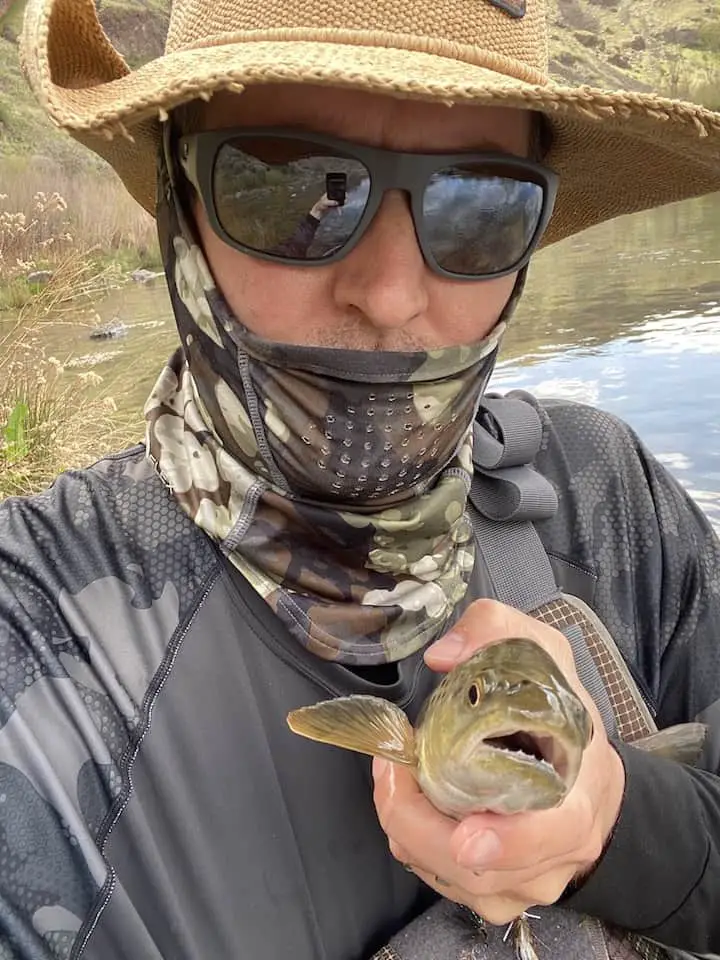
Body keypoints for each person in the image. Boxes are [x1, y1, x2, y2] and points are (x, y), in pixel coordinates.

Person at [4, 0, 720, 958]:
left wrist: (626, 829)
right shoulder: (32, 643)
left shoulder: (613, 496)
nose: (390, 293)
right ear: (181, 210)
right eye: (292, 188)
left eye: (481, 204)